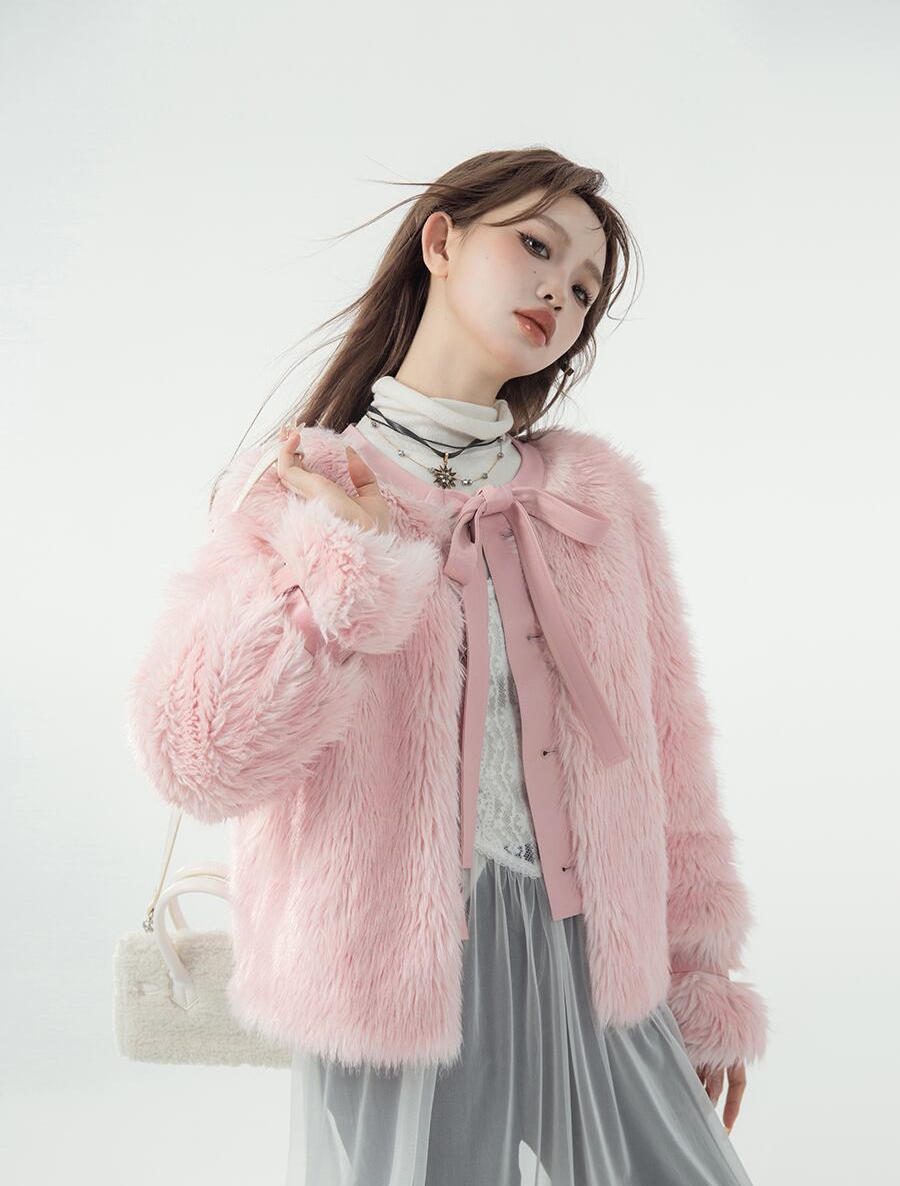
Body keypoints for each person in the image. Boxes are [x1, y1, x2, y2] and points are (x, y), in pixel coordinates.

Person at [126, 147, 769, 1185]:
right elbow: (195, 759)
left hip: (597, 960)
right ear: (441, 241)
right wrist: (350, 568)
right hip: (395, 977)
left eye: (585, 289)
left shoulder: (598, 500)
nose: (560, 294)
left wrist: (702, 976)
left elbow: (671, 751)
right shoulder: (299, 485)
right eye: (537, 247)